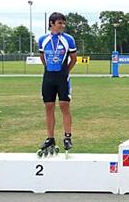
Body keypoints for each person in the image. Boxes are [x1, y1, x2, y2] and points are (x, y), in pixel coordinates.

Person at [36, 12, 77, 157]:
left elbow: (73, 59)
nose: (63, 26)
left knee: (64, 106)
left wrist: (65, 71)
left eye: (63, 23)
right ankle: (50, 138)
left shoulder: (68, 40)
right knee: (49, 107)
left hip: (62, 77)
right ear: (51, 23)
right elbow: (42, 57)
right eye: (60, 23)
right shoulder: (42, 40)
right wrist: (49, 69)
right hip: (48, 77)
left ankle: (67, 137)